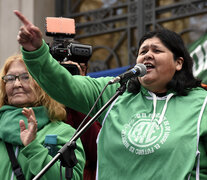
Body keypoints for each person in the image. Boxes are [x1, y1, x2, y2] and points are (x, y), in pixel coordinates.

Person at [14, 10, 207, 180]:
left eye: (156, 50)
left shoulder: (202, 103)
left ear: (179, 63)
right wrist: (36, 51)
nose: (147, 55)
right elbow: (65, 84)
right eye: (143, 51)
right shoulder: (115, 93)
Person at [0, 54, 85, 180]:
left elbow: (71, 178)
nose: (17, 84)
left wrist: (33, 147)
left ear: (43, 84)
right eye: (11, 78)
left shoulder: (63, 133)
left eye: (25, 77)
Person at [61, 60, 102, 180]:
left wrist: (77, 93)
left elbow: (96, 150)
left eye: (81, 68)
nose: (67, 76)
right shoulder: (45, 101)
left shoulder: (98, 100)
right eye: (61, 70)